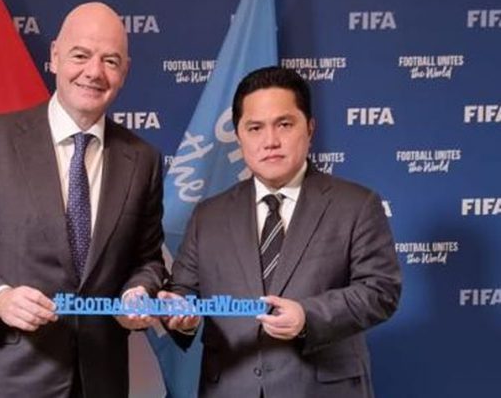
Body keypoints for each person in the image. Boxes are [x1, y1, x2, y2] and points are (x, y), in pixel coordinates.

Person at [0, 2, 166, 397]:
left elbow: (148, 260)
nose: (94, 72)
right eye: (80, 55)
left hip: (101, 381)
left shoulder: (144, 160)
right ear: (54, 55)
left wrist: (138, 292)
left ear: (125, 71)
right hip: (7, 378)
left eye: (110, 61)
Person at [159, 66, 401, 398]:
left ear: (310, 128)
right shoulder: (208, 216)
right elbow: (183, 291)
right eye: (255, 128)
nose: (270, 141)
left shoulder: (357, 204)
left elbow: (380, 291)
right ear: (239, 136)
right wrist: (182, 316)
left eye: (284, 124)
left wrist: (308, 316)